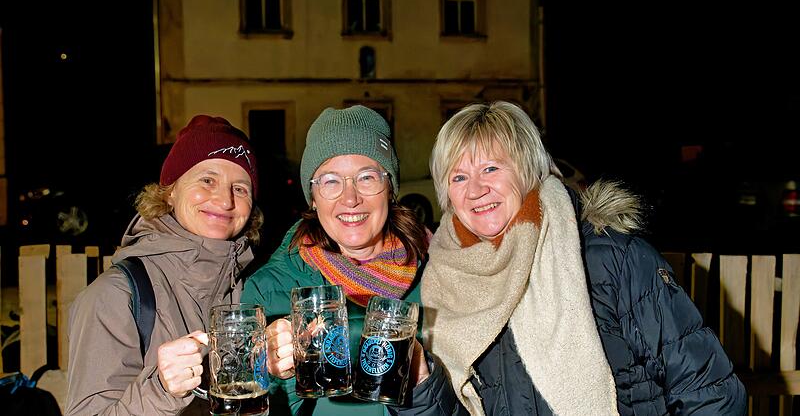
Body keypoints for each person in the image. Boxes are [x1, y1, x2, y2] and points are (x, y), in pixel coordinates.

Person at [393, 101, 747, 415]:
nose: (475, 189)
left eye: (491, 169)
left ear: (527, 170)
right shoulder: (447, 281)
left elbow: (709, 391)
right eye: (459, 177)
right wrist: (421, 384)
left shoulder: (610, 257)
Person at [66, 115, 263, 415]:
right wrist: (160, 390)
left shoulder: (248, 290)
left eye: (240, 188)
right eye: (207, 180)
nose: (225, 201)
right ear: (170, 191)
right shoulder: (115, 296)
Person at [242, 105, 430, 415]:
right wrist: (272, 376)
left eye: (367, 177)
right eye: (331, 181)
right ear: (313, 198)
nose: (350, 198)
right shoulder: (268, 290)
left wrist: (426, 381)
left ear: (390, 189)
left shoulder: (439, 275)